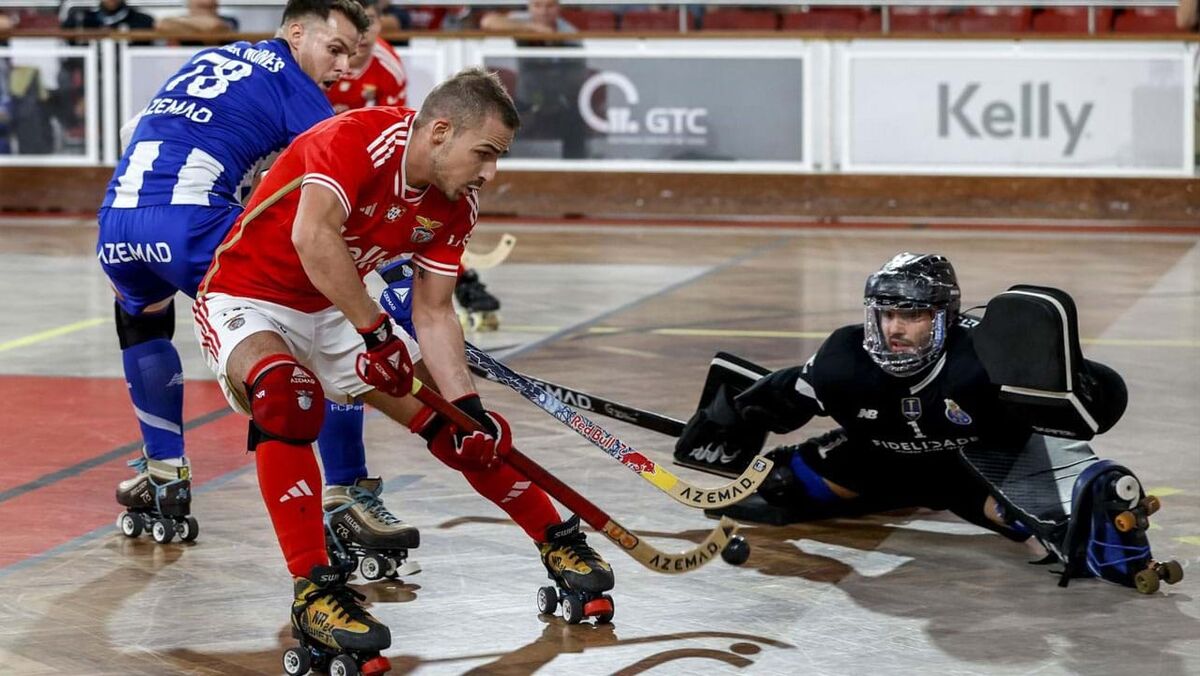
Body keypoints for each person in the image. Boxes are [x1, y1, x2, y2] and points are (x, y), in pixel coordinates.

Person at [192, 68, 614, 666]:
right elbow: (314, 238)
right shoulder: (354, 139)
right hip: (249, 297)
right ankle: (315, 592)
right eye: (485, 153)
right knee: (288, 396)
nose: (491, 172)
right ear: (440, 131)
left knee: (463, 433)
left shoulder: (456, 203)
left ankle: (558, 542)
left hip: (336, 306)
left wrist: (467, 407)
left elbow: (435, 312)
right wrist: (373, 330)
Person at [676, 253, 1176, 593]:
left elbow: (1092, 401)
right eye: (886, 313)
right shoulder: (843, 360)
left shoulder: (986, 357)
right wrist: (724, 420)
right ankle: (877, 489)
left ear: (944, 316)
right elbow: (785, 393)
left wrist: (1085, 385)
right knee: (773, 489)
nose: (894, 327)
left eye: (912, 315)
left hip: (974, 466)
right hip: (878, 455)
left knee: (1047, 527)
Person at [98, 0, 381, 547]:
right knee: (327, 320)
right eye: (335, 49)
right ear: (296, 34)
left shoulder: (215, 59)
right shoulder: (299, 91)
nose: (345, 66)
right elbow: (346, 193)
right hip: (192, 224)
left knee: (142, 319)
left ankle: (164, 472)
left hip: (118, 222)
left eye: (352, 54)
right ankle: (346, 492)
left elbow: (136, 130)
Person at [325, 0, 406, 113]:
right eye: (353, 21)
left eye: (369, 21)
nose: (362, 33)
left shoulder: (391, 67)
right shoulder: (318, 57)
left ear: (380, 23)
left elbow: (393, 120)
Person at [156, 0, 240, 38]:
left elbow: (213, 26)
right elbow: (162, 25)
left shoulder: (230, 20)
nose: (207, 2)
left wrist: (181, 25)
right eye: (201, 6)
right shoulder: (181, 19)